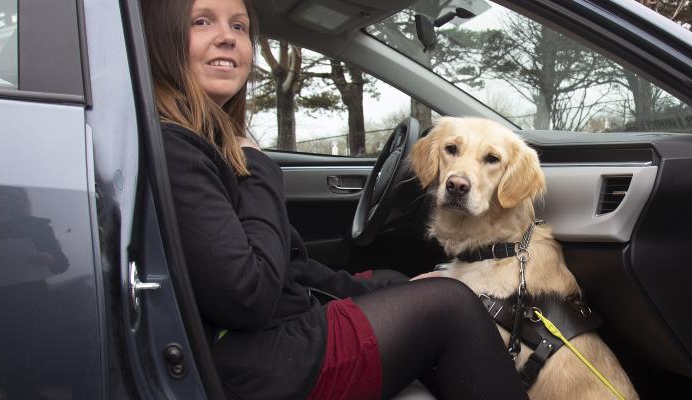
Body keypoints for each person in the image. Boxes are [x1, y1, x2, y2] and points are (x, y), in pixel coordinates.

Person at [140, 0, 530, 398]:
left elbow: (291, 268)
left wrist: (398, 291)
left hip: (273, 333)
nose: (226, 37)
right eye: (202, 22)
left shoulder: (206, 143)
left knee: (397, 280)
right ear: (163, 40)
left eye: (239, 26)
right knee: (452, 303)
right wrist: (257, 166)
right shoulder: (178, 152)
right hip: (260, 362)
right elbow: (248, 295)